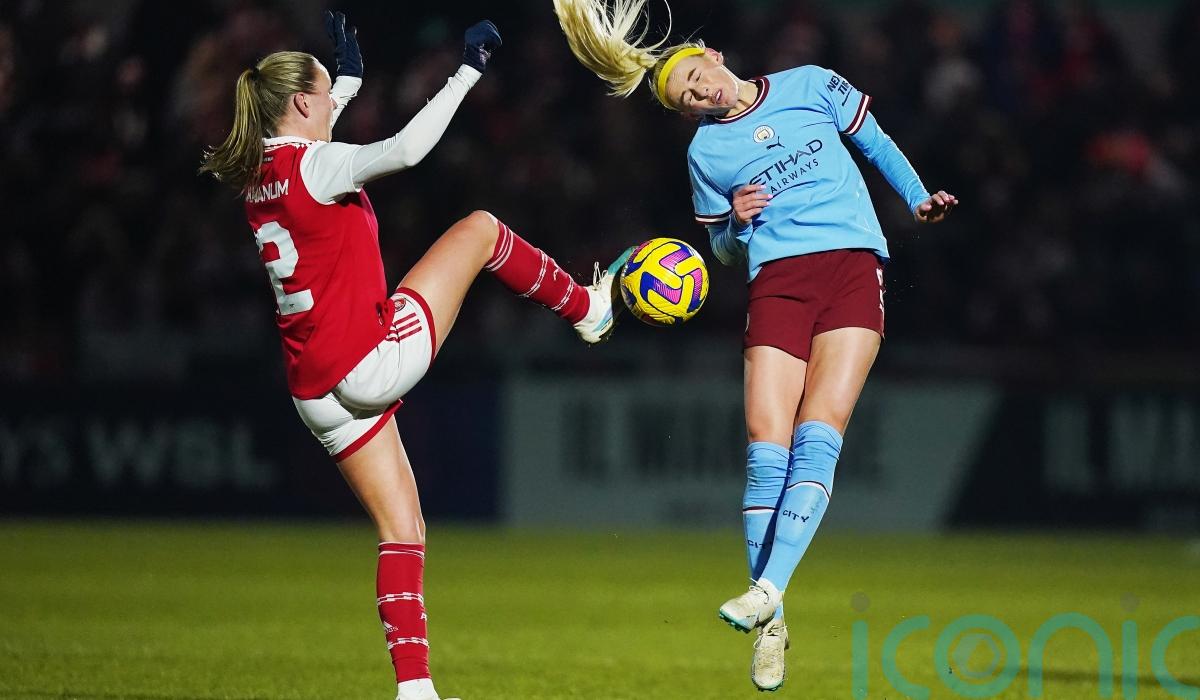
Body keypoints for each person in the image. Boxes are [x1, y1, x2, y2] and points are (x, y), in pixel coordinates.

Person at [200, 12, 627, 700]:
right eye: (325, 95)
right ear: (303, 103)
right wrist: (466, 75)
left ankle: (416, 693)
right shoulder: (319, 166)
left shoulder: (258, 173)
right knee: (481, 230)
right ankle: (588, 310)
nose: (333, 106)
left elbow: (310, 133)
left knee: (402, 530)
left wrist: (344, 81)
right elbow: (403, 151)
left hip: (315, 388)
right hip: (369, 361)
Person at [553, 0, 957, 691]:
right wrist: (735, 226)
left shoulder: (811, 83)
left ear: (711, 56)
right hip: (779, 282)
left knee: (819, 429)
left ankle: (766, 590)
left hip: (852, 268)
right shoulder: (705, 154)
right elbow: (719, 250)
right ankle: (772, 619)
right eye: (686, 98)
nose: (699, 93)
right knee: (767, 444)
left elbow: (875, 141)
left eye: (695, 77)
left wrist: (917, 197)